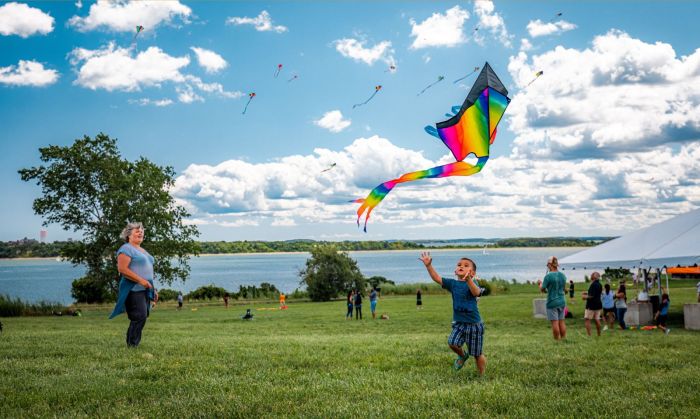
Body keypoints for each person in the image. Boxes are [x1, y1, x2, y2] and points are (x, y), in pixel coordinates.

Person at [420, 252, 486, 375]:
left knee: (477, 354)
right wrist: (428, 266)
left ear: (472, 273)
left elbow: (476, 292)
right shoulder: (453, 284)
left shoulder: (473, 284)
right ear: (455, 271)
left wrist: (468, 280)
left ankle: (481, 375)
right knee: (452, 343)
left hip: (474, 325)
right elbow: (437, 278)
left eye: (466, 265)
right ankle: (462, 356)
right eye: (459, 265)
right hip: (459, 323)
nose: (461, 266)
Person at [110, 222, 157, 348]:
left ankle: (134, 344)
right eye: (137, 231)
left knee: (143, 315)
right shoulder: (126, 249)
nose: (140, 232)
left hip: (145, 288)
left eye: (142, 230)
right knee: (139, 316)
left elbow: (146, 269)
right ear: (128, 235)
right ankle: (132, 345)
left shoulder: (142, 250)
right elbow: (123, 269)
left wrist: (153, 288)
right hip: (133, 289)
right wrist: (141, 280)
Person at [538, 256, 567, 341]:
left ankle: (557, 341)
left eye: (547, 265)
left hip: (552, 302)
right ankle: (564, 339)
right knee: (561, 321)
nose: (547, 266)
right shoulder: (563, 275)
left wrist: (540, 284)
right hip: (562, 301)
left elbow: (543, 289)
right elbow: (563, 289)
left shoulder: (548, 276)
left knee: (555, 322)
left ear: (550, 265)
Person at [583, 272, 603, 336]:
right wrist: (587, 292)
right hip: (598, 304)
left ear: (594, 277)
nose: (591, 275)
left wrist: (584, 297)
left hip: (591, 305)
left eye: (592, 274)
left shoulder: (593, 284)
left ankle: (589, 335)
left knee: (587, 319)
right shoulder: (599, 284)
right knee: (597, 319)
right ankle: (599, 334)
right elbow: (596, 293)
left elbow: (591, 296)